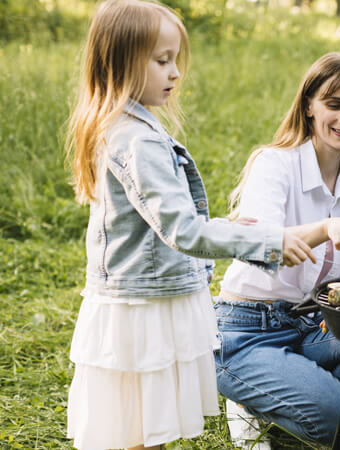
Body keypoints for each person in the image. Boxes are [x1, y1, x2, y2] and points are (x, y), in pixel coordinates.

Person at [63, 2, 316, 449]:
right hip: (145, 308)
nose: (175, 72)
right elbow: (183, 232)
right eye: (162, 61)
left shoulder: (124, 127)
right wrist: (265, 240)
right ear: (121, 61)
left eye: (175, 59)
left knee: (140, 426)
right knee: (140, 430)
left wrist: (228, 225)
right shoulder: (139, 140)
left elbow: (160, 224)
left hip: (139, 299)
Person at [214, 52, 340, 450]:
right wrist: (325, 228)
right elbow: (261, 246)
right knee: (336, 417)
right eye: (333, 104)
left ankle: (284, 388)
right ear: (309, 105)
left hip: (311, 324)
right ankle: (249, 397)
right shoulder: (275, 165)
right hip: (247, 331)